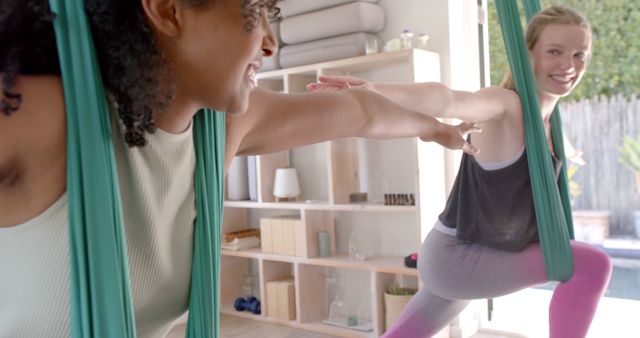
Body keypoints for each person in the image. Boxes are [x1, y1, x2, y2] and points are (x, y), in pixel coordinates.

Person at [0, 0, 480, 337]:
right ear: (168, 10)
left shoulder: (223, 126)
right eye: (255, 9)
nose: (272, 43)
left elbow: (362, 110)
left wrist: (435, 128)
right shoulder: (43, 117)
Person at [309, 5, 612, 338]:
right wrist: (374, 89)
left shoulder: (553, 122)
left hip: (465, 255)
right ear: (527, 56)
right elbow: (448, 99)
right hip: (459, 257)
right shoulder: (506, 106)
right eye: (554, 52)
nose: (569, 65)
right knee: (592, 265)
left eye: (579, 54)